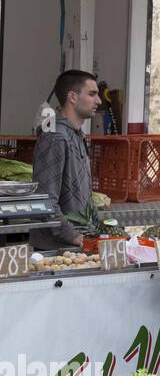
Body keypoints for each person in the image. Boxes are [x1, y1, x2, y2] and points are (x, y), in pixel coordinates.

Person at [31, 70, 99, 252]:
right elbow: (44, 200)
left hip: (75, 247)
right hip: (54, 252)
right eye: (92, 94)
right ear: (72, 97)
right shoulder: (55, 137)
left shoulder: (77, 135)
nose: (98, 101)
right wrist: (74, 235)